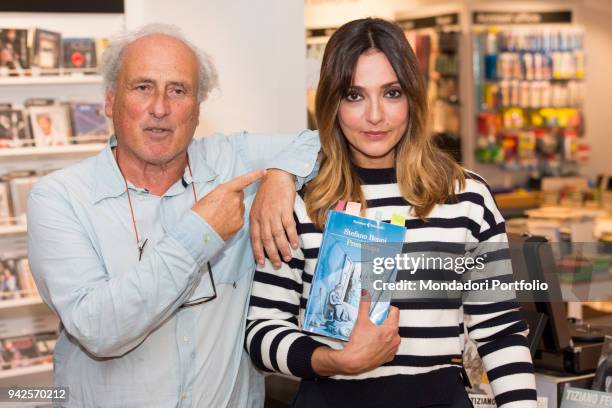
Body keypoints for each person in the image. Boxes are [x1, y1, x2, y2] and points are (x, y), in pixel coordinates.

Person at [246, 18, 537, 408]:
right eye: (354, 95)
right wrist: (334, 361)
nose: (375, 115)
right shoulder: (299, 201)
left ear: (413, 97)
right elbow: (262, 331)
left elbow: (499, 330)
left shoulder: (466, 198)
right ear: (332, 102)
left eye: (392, 92)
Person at [27, 24, 319, 407]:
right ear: (110, 100)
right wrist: (200, 233)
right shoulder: (59, 198)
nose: (160, 107)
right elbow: (98, 329)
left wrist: (282, 176)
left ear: (197, 110)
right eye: (143, 87)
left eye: (178, 90)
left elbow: (324, 142)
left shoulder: (231, 161)